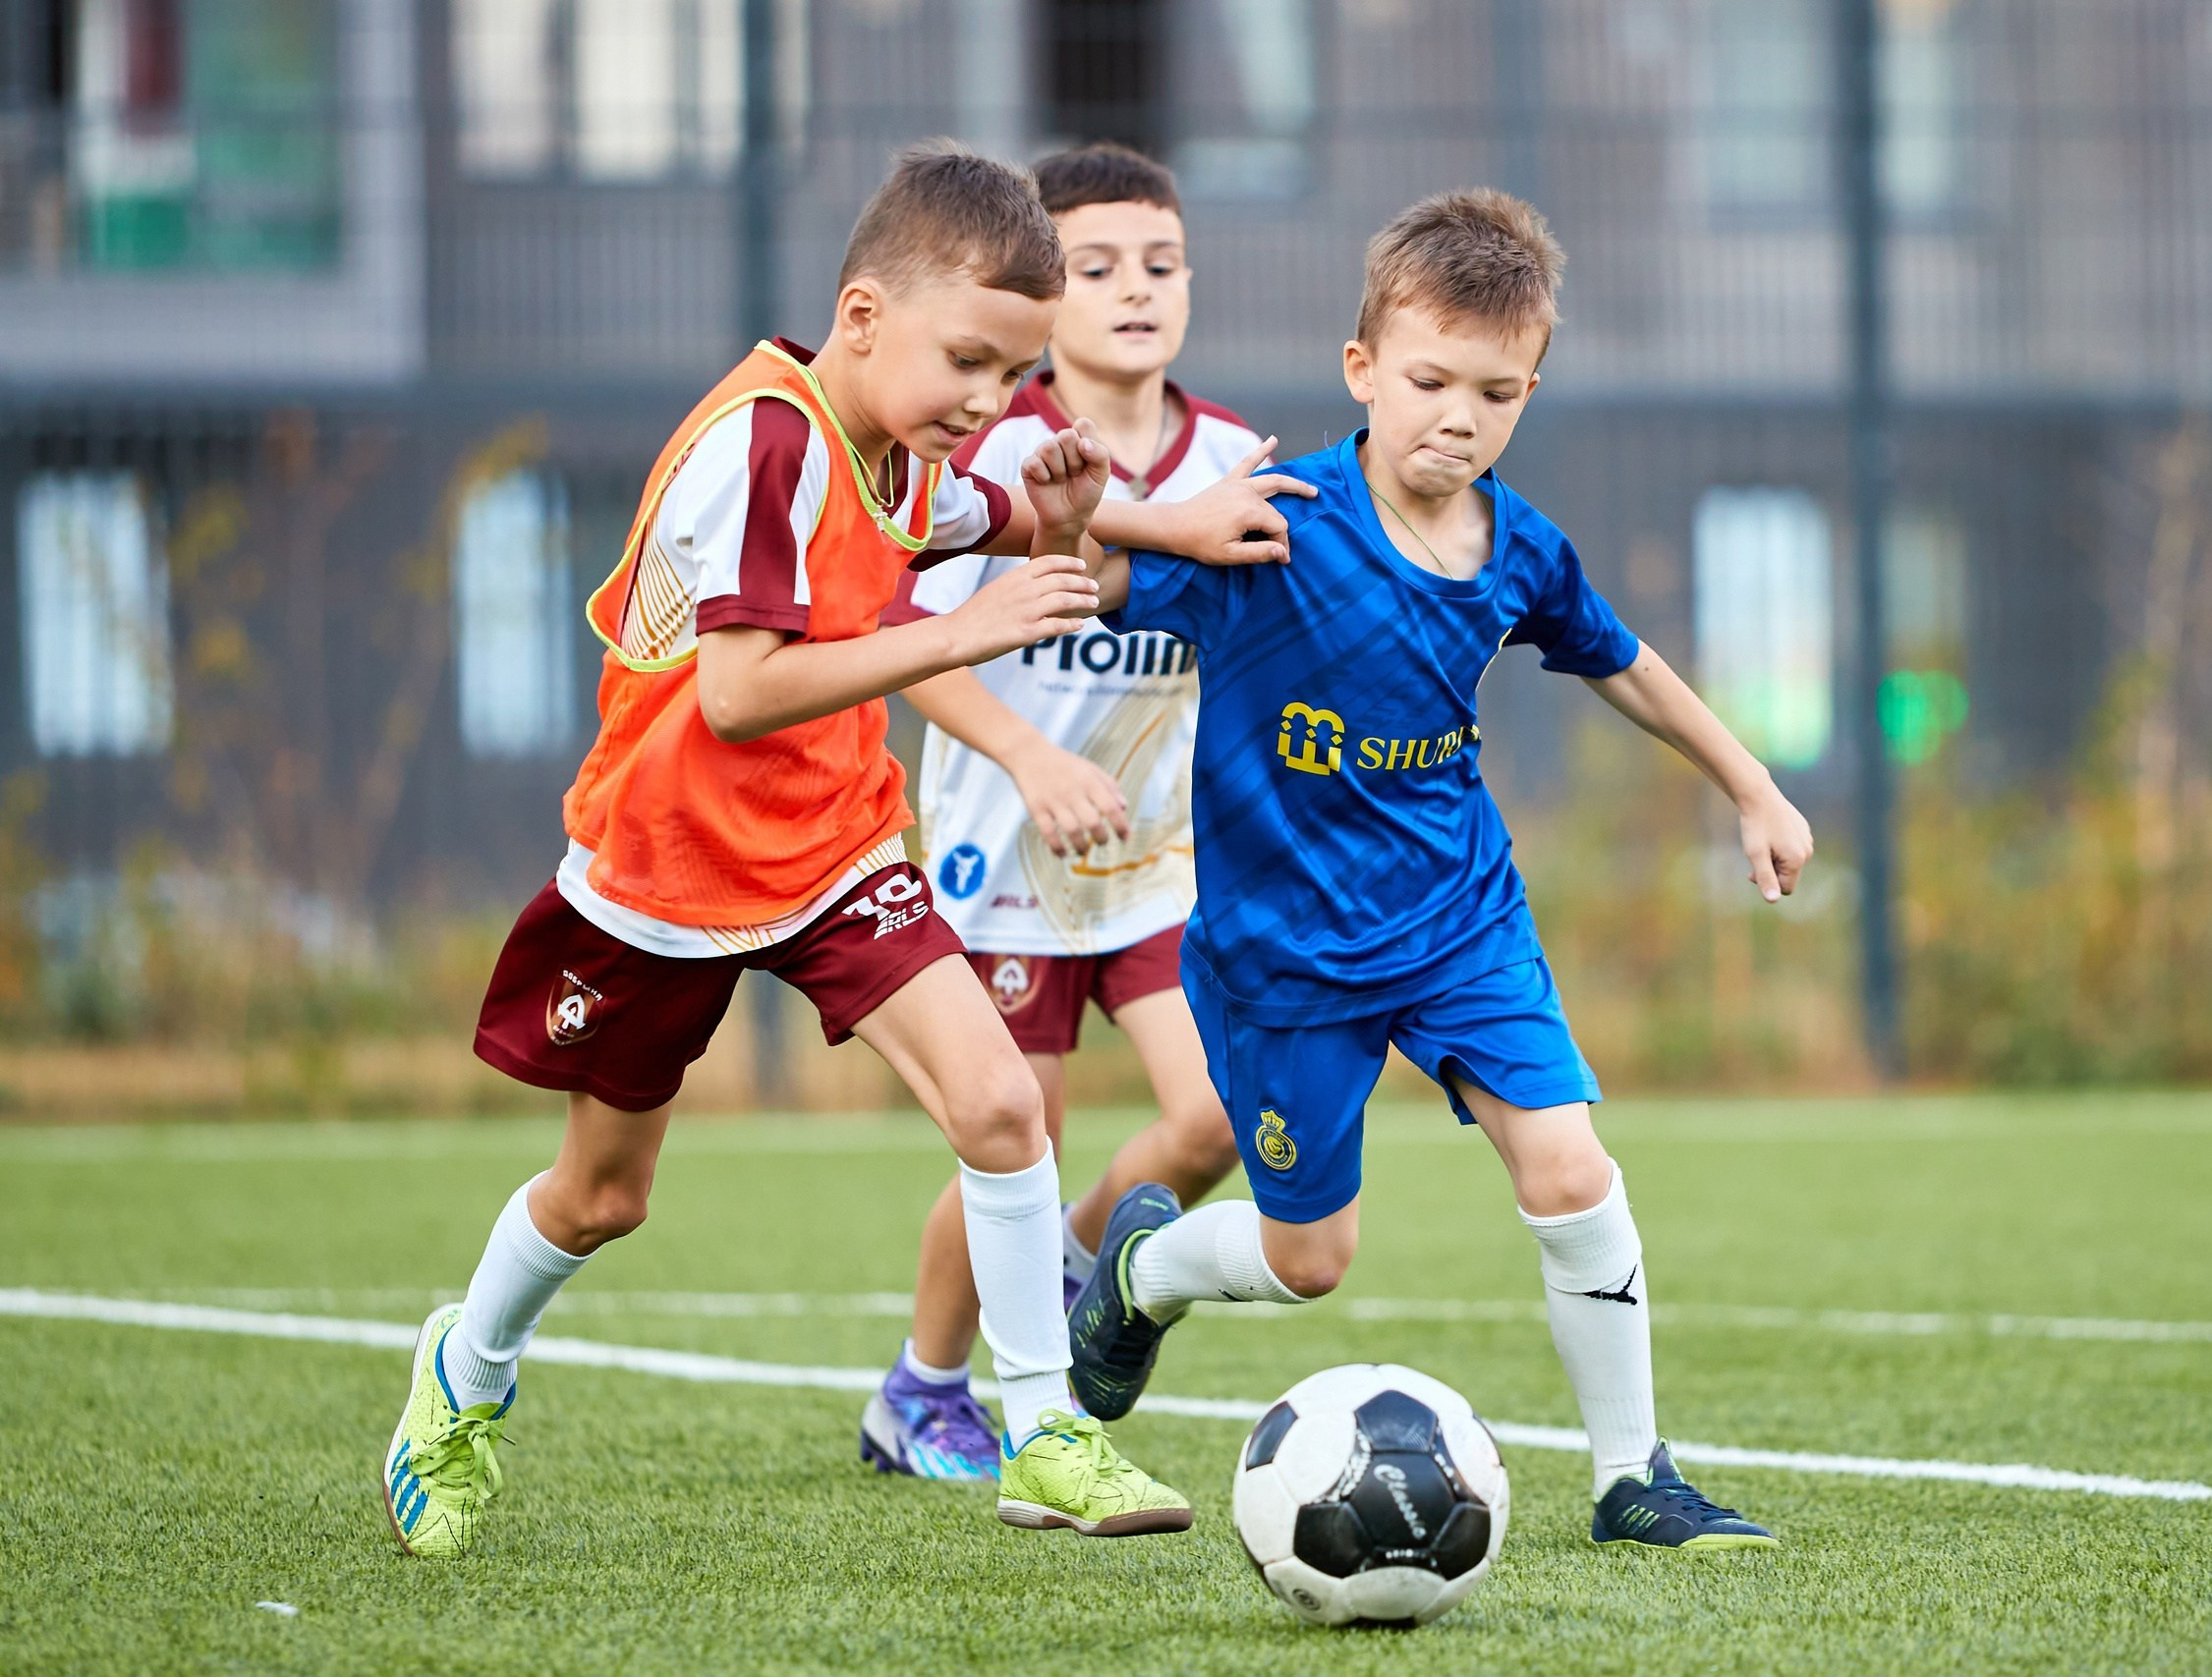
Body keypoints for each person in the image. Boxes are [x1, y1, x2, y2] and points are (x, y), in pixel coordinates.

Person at [381, 144, 1294, 1558]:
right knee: (604, 1197)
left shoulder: (891, 444)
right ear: (863, 317)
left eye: (1013, 375)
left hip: (835, 848)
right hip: (663, 869)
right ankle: (467, 1371)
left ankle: (1043, 1425)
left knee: (1003, 1112)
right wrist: (966, 629)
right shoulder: (766, 440)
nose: (992, 404)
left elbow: (998, 512)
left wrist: (1140, 521)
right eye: (973, 365)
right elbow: (739, 694)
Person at [1060, 190, 1817, 1551]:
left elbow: (1624, 664)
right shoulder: (1273, 521)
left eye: (1495, 391)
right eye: (1427, 381)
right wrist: (1102, 522)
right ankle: (1146, 1268)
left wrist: (1750, 785)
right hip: (1287, 955)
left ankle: (1634, 1476)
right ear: (1362, 372)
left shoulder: (1519, 547)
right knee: (1310, 1264)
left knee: (1573, 1170)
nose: (1457, 417)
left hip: (1462, 919)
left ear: (1530, 391)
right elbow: (1086, 579)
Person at [863, 143, 1276, 1481]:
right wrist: (1037, 760)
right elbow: (919, 642)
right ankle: (922, 1391)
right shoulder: (991, 446)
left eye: (1160, 265)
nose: (1135, 290)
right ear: (1048, 290)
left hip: (1161, 865)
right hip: (1008, 861)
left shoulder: (1230, 457)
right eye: (1097, 267)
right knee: (1014, 1131)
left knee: (1220, 1116)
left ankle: (1085, 1266)